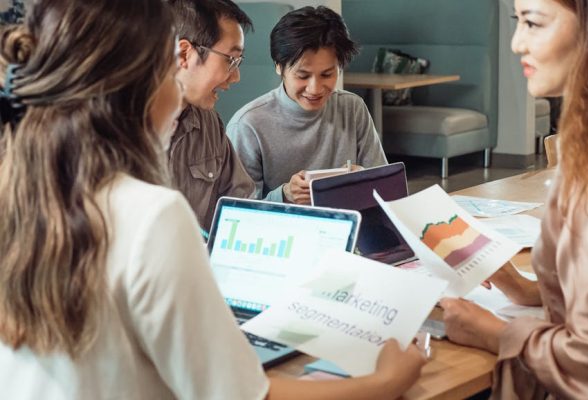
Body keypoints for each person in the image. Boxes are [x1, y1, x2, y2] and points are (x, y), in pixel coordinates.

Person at [0, 1, 426, 398]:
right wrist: (386, 381)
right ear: (142, 85)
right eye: (169, 71)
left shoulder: (23, 188)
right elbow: (240, 394)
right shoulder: (150, 216)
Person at [440, 0, 588, 398]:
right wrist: (527, 289)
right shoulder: (584, 135)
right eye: (518, 21)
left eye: (532, 23)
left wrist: (494, 332)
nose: (516, 43)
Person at [227, 6, 387, 205]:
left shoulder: (352, 108)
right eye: (303, 76)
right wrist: (285, 195)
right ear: (279, 66)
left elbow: (386, 189)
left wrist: (363, 179)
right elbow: (238, 211)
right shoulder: (248, 125)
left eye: (327, 75)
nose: (315, 88)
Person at [166, 0, 255, 232]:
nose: (235, 77)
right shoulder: (115, 129)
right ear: (184, 53)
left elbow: (241, 204)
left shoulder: (209, 123)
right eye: (230, 60)